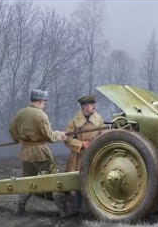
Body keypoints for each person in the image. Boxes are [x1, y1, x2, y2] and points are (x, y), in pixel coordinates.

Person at [9, 89, 69, 217]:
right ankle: (64, 211)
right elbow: (49, 137)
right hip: (41, 153)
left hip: (26, 152)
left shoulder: (21, 113)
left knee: (26, 181)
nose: (44, 105)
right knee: (54, 180)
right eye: (44, 103)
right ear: (40, 101)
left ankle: (19, 209)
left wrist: (19, 139)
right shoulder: (41, 115)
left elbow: (12, 130)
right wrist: (60, 135)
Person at [64, 94, 105, 214]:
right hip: (79, 157)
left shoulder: (98, 119)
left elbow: (104, 134)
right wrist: (81, 144)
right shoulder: (74, 121)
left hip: (95, 155)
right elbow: (67, 139)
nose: (94, 106)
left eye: (94, 104)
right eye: (91, 104)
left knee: (96, 181)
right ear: (84, 106)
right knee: (79, 184)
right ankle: (77, 209)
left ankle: (95, 208)